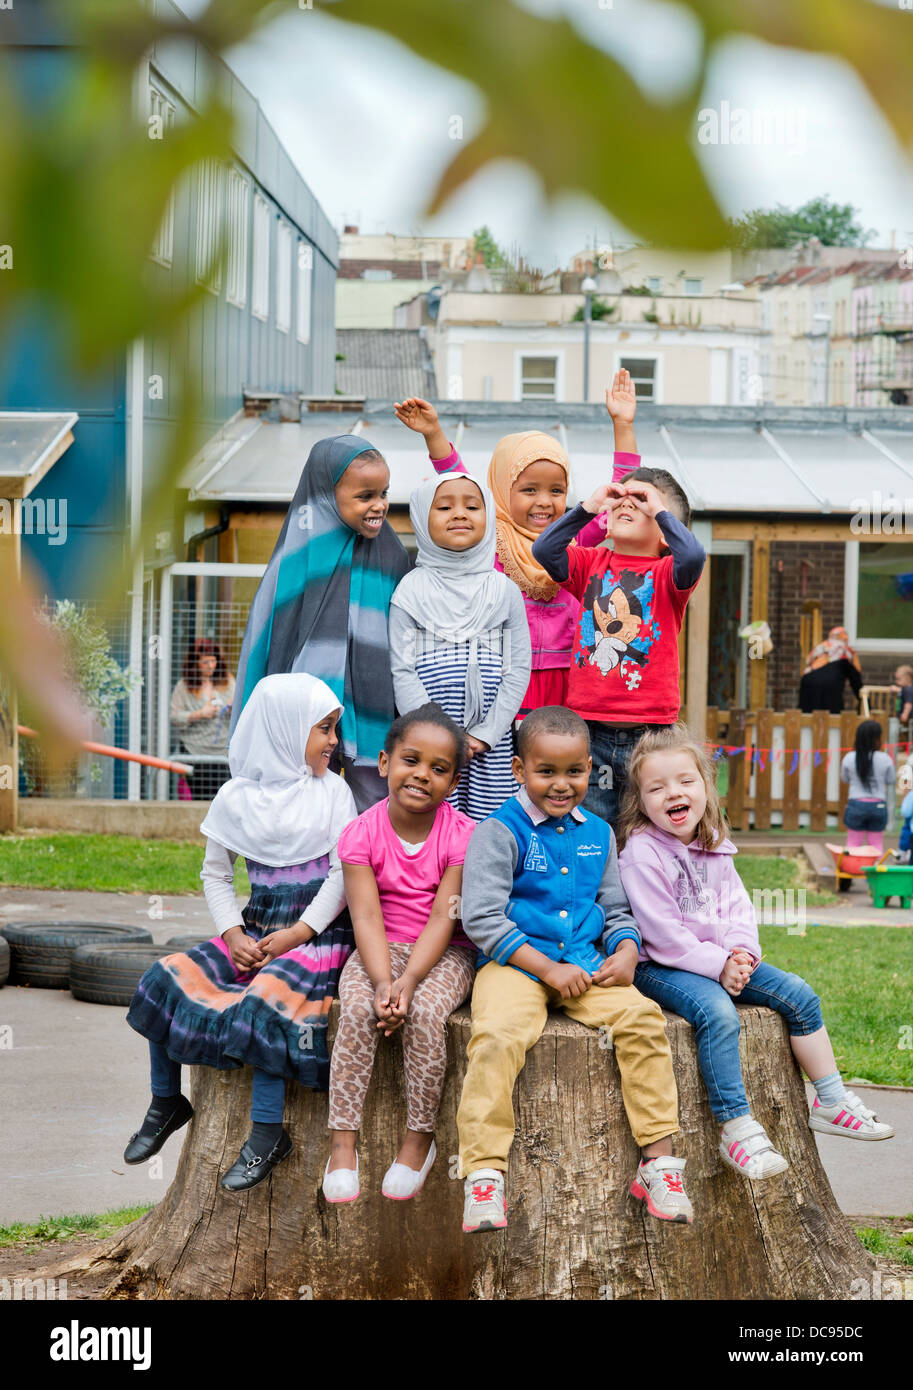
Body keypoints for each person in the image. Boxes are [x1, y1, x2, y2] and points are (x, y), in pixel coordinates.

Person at [617, 725, 893, 1182]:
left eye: (686, 781)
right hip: (662, 966)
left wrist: (741, 952)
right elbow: (662, 933)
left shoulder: (714, 843)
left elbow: (738, 906)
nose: (673, 793)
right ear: (640, 801)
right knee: (718, 1013)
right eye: (656, 787)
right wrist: (717, 966)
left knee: (799, 995)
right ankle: (737, 1127)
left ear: (707, 784)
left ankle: (831, 1099)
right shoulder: (643, 853)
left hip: (724, 960)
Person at [456, 706, 691, 1234]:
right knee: (496, 1035)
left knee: (643, 1020)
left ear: (590, 767)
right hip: (512, 965)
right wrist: (545, 969)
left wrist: (626, 949)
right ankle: (483, 1174)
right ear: (519, 769)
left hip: (585, 967)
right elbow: (482, 919)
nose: (561, 785)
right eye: (546, 772)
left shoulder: (600, 833)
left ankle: (658, 1164)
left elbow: (615, 908)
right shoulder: (499, 832)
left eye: (574, 772)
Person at [125, 674, 358, 1192]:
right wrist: (232, 934)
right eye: (324, 729)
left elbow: (344, 875)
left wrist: (298, 933)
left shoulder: (333, 793)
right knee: (162, 979)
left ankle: (267, 1132)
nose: (334, 742)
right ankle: (166, 1100)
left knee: (265, 1001)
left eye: (333, 729)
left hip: (315, 935)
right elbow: (214, 874)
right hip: (254, 930)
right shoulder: (235, 798)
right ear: (284, 729)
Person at [394, 373, 641, 714]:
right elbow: (459, 482)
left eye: (556, 491)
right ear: (501, 492)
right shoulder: (491, 535)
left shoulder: (574, 538)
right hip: (505, 677)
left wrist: (623, 425)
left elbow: (618, 494)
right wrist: (434, 433)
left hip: (566, 676)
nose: (544, 501)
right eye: (529, 490)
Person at [323, 704, 476, 1203]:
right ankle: (342, 1144)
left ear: (453, 782)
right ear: (385, 762)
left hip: (445, 952)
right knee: (356, 1009)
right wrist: (383, 982)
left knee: (428, 1014)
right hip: (378, 948)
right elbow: (365, 917)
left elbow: (443, 917)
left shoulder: (461, 836)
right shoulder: (361, 833)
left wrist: (408, 983)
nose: (422, 775)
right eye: (412, 760)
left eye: (439, 769)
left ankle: (420, 1139)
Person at [229, 435, 411, 814]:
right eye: (365, 496)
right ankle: (302, 873)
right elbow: (270, 638)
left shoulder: (390, 552)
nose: (379, 505)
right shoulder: (299, 552)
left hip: (373, 704)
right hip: (307, 714)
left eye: (384, 493)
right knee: (301, 801)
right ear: (327, 492)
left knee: (375, 804)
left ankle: (369, 872)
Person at [531, 445, 705, 829]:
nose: (627, 504)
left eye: (640, 502)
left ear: (665, 532)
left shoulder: (668, 575)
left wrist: (659, 508)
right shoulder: (590, 563)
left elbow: (693, 555)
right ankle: (603, 890)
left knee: (649, 827)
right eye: (621, 499)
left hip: (651, 734)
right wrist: (588, 508)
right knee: (596, 827)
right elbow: (545, 549)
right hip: (589, 731)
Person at [388, 471, 532, 822]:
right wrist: (436, 734)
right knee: (432, 823)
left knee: (490, 828)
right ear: (422, 518)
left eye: (472, 505)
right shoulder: (410, 590)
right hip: (429, 745)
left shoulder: (504, 590)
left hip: (489, 748)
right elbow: (402, 670)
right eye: (444, 507)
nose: (459, 513)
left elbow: (517, 668)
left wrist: (485, 735)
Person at [170, 638, 235, 799]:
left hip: (222, 754)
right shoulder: (184, 687)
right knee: (200, 798)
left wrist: (232, 709)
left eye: (213, 661)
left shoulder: (228, 682)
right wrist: (199, 713)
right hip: (194, 752)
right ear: (195, 663)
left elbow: (240, 713)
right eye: (205, 662)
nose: (211, 666)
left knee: (222, 798)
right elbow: (174, 717)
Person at [840, 718, 895, 854]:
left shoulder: (849, 758)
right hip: (878, 805)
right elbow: (891, 780)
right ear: (877, 739)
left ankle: (850, 872)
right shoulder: (885, 759)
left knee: (853, 843)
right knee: (876, 844)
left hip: (856, 804)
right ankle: (874, 874)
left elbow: (844, 779)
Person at [798, 626, 863, 715]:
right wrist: (863, 699)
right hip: (830, 684)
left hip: (808, 680)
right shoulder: (846, 651)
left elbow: (808, 661)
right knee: (832, 715)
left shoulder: (821, 646)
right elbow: (856, 677)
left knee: (807, 714)